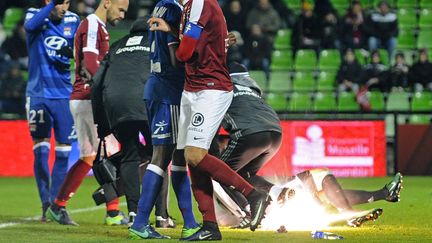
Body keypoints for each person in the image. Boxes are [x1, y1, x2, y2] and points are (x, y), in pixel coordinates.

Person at [143, 0, 270, 240]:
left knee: (194, 154)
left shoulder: (199, 3)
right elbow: (204, 43)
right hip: (193, 89)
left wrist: (175, 35)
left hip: (210, 89)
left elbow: (184, 53)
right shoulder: (190, 7)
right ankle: (210, 226)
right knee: (192, 159)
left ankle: (253, 194)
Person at [47, 0, 129, 226]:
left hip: (87, 98)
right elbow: (90, 63)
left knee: (99, 154)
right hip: (88, 98)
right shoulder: (92, 24)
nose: (122, 15)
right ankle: (108, 212)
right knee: (100, 154)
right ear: (107, 3)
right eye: (120, 9)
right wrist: (108, 90)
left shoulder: (97, 26)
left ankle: (62, 206)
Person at [128, 1, 201, 240]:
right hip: (168, 91)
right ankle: (140, 223)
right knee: (162, 157)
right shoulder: (176, 11)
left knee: (178, 158)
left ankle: (189, 223)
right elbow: (175, 59)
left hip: (159, 89)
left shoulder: (161, 5)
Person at [208, 62, 292, 228]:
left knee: (217, 174)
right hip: (275, 134)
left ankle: (247, 212)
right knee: (243, 176)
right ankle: (276, 191)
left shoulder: (221, 88)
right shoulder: (253, 90)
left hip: (250, 134)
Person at [91, 18, 155, 229]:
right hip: (145, 101)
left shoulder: (117, 46)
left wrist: (102, 124)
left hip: (116, 105)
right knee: (159, 157)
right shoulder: (155, 42)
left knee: (129, 155)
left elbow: (97, 84)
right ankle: (162, 215)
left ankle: (135, 212)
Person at [24, 0, 79, 222]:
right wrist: (52, 6)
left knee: (64, 151)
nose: (64, 7)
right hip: (38, 94)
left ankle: (56, 205)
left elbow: (81, 49)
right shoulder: (33, 15)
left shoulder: (74, 20)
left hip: (64, 95)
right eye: (59, 2)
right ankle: (45, 203)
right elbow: (29, 28)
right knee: (41, 152)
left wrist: (73, 51)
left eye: (66, 2)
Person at [215, 169, 403, 228]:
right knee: (320, 177)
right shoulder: (230, 182)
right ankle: (350, 214)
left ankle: (384, 194)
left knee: (326, 190)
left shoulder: (228, 183)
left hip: (281, 200)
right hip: (281, 203)